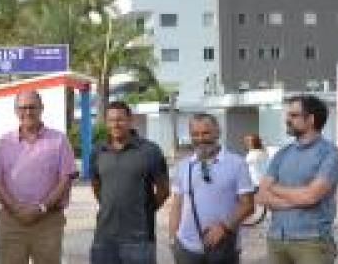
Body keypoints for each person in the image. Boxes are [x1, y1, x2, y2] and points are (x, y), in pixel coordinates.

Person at [0, 90, 77, 264]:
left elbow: (65, 179)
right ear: (16, 111)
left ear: (42, 108)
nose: (28, 112)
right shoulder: (4, 142)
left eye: (32, 107)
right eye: (23, 108)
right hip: (12, 222)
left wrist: (41, 208)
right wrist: (16, 209)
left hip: (48, 222)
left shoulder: (59, 140)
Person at [256, 95, 338, 264]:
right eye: (288, 115)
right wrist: (300, 199)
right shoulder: (282, 154)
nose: (287, 119)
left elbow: (311, 197)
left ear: (311, 119)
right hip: (276, 240)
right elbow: (261, 196)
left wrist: (275, 188)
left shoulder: (330, 154)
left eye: (294, 115)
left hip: (312, 242)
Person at [168, 114, 255, 264]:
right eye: (195, 134)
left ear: (217, 132)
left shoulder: (237, 163)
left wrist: (224, 228)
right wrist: (173, 240)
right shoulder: (183, 166)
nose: (200, 139)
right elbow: (177, 205)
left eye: (206, 133)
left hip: (222, 247)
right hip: (186, 250)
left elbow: (248, 205)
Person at [90, 101, 170, 264]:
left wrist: (145, 209)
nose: (116, 124)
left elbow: (163, 190)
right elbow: (97, 186)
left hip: (139, 239)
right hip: (104, 238)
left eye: (120, 119)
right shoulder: (98, 151)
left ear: (130, 120)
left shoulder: (150, 150)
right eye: (111, 120)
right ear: (106, 122)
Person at [243, 134, 269, 225]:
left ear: (254, 142)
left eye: (249, 141)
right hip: (255, 179)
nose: (246, 143)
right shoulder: (258, 152)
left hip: (255, 180)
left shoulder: (256, 153)